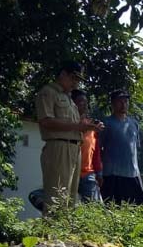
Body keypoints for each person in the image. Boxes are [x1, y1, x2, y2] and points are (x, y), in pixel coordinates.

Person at [35, 61, 103, 214]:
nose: (76, 83)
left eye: (78, 80)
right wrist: (78, 126)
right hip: (58, 147)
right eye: (73, 78)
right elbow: (46, 121)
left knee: (70, 199)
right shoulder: (48, 92)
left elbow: (73, 124)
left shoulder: (69, 98)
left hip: (74, 148)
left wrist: (89, 126)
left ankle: (64, 234)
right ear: (63, 74)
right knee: (57, 195)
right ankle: (51, 235)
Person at [99, 90, 143, 205]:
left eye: (126, 101)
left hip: (132, 173)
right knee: (112, 207)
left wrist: (138, 173)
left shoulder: (134, 123)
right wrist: (99, 172)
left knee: (137, 208)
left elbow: (135, 150)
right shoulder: (106, 123)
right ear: (112, 104)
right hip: (112, 174)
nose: (123, 104)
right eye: (120, 102)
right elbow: (98, 149)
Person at [71, 89, 103, 203]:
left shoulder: (92, 126)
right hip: (69, 172)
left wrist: (99, 173)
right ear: (72, 104)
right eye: (80, 102)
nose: (84, 105)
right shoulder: (67, 124)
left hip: (87, 174)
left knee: (95, 209)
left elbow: (95, 152)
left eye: (86, 102)